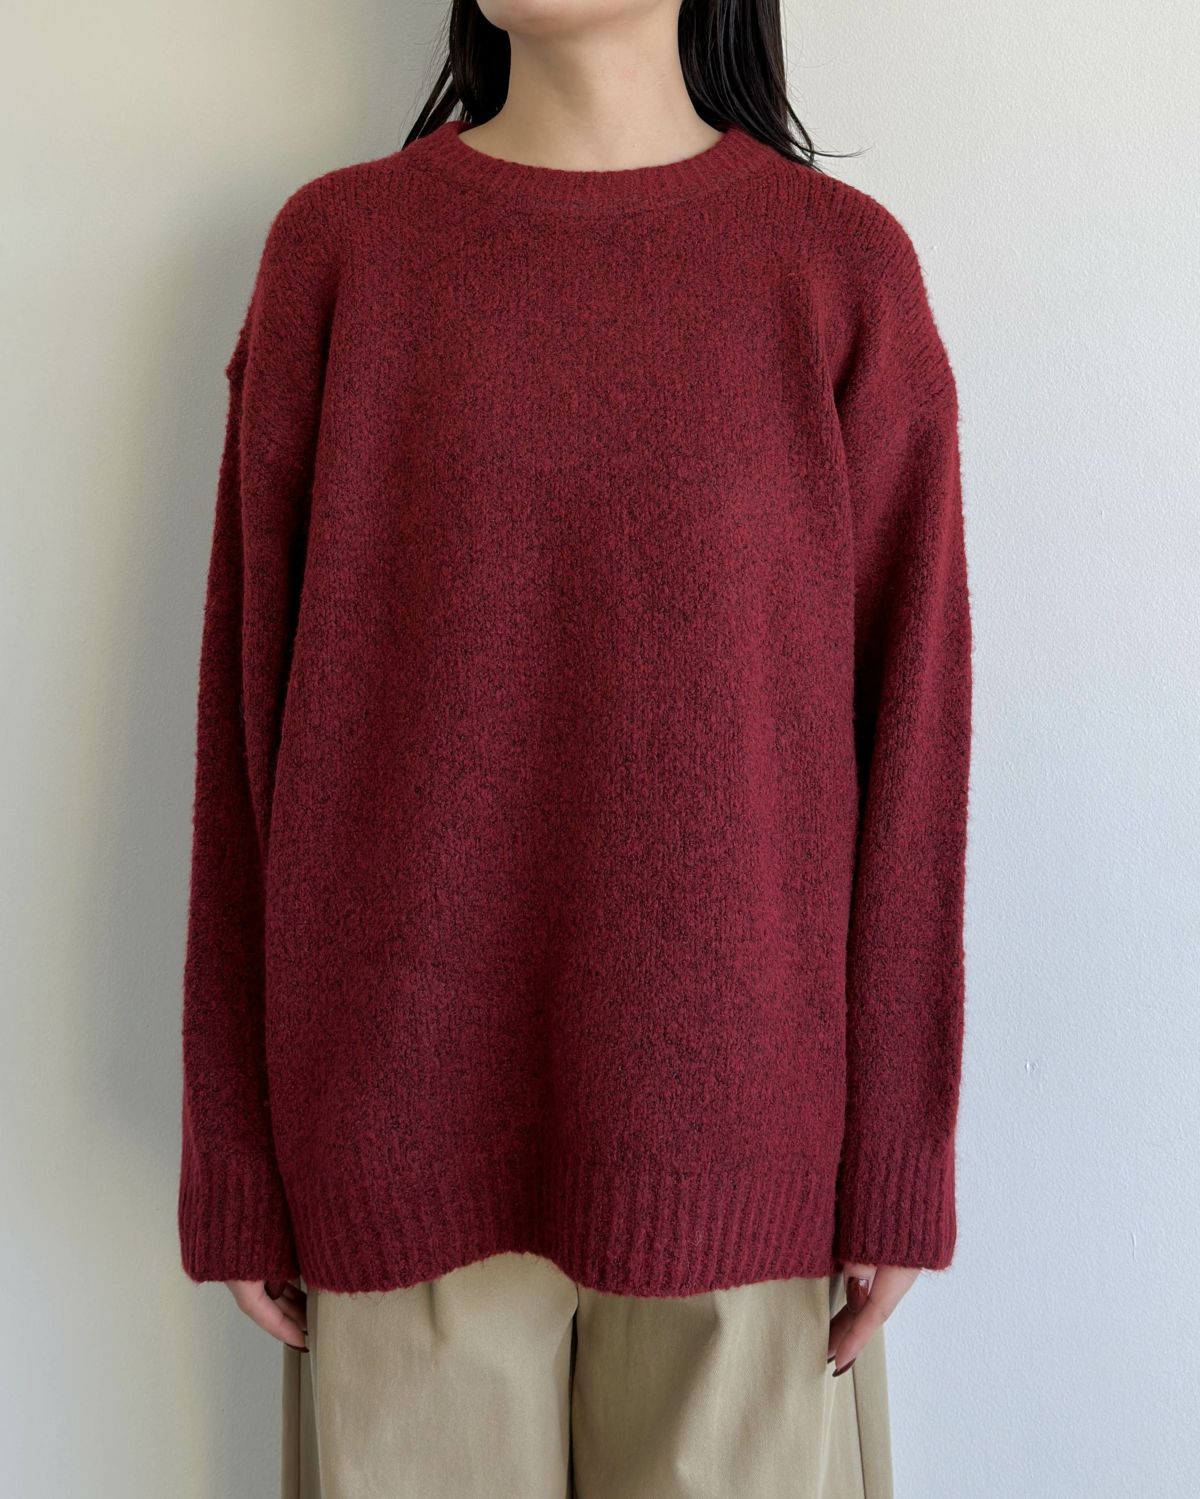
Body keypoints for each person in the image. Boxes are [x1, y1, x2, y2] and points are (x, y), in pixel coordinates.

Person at [177, 0, 972, 1493]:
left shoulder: (837, 269)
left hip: (747, 1167)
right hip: (390, 1162)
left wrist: (898, 1158)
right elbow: (247, 723)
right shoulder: (341, 257)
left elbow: (915, 733)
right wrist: (235, 1154)